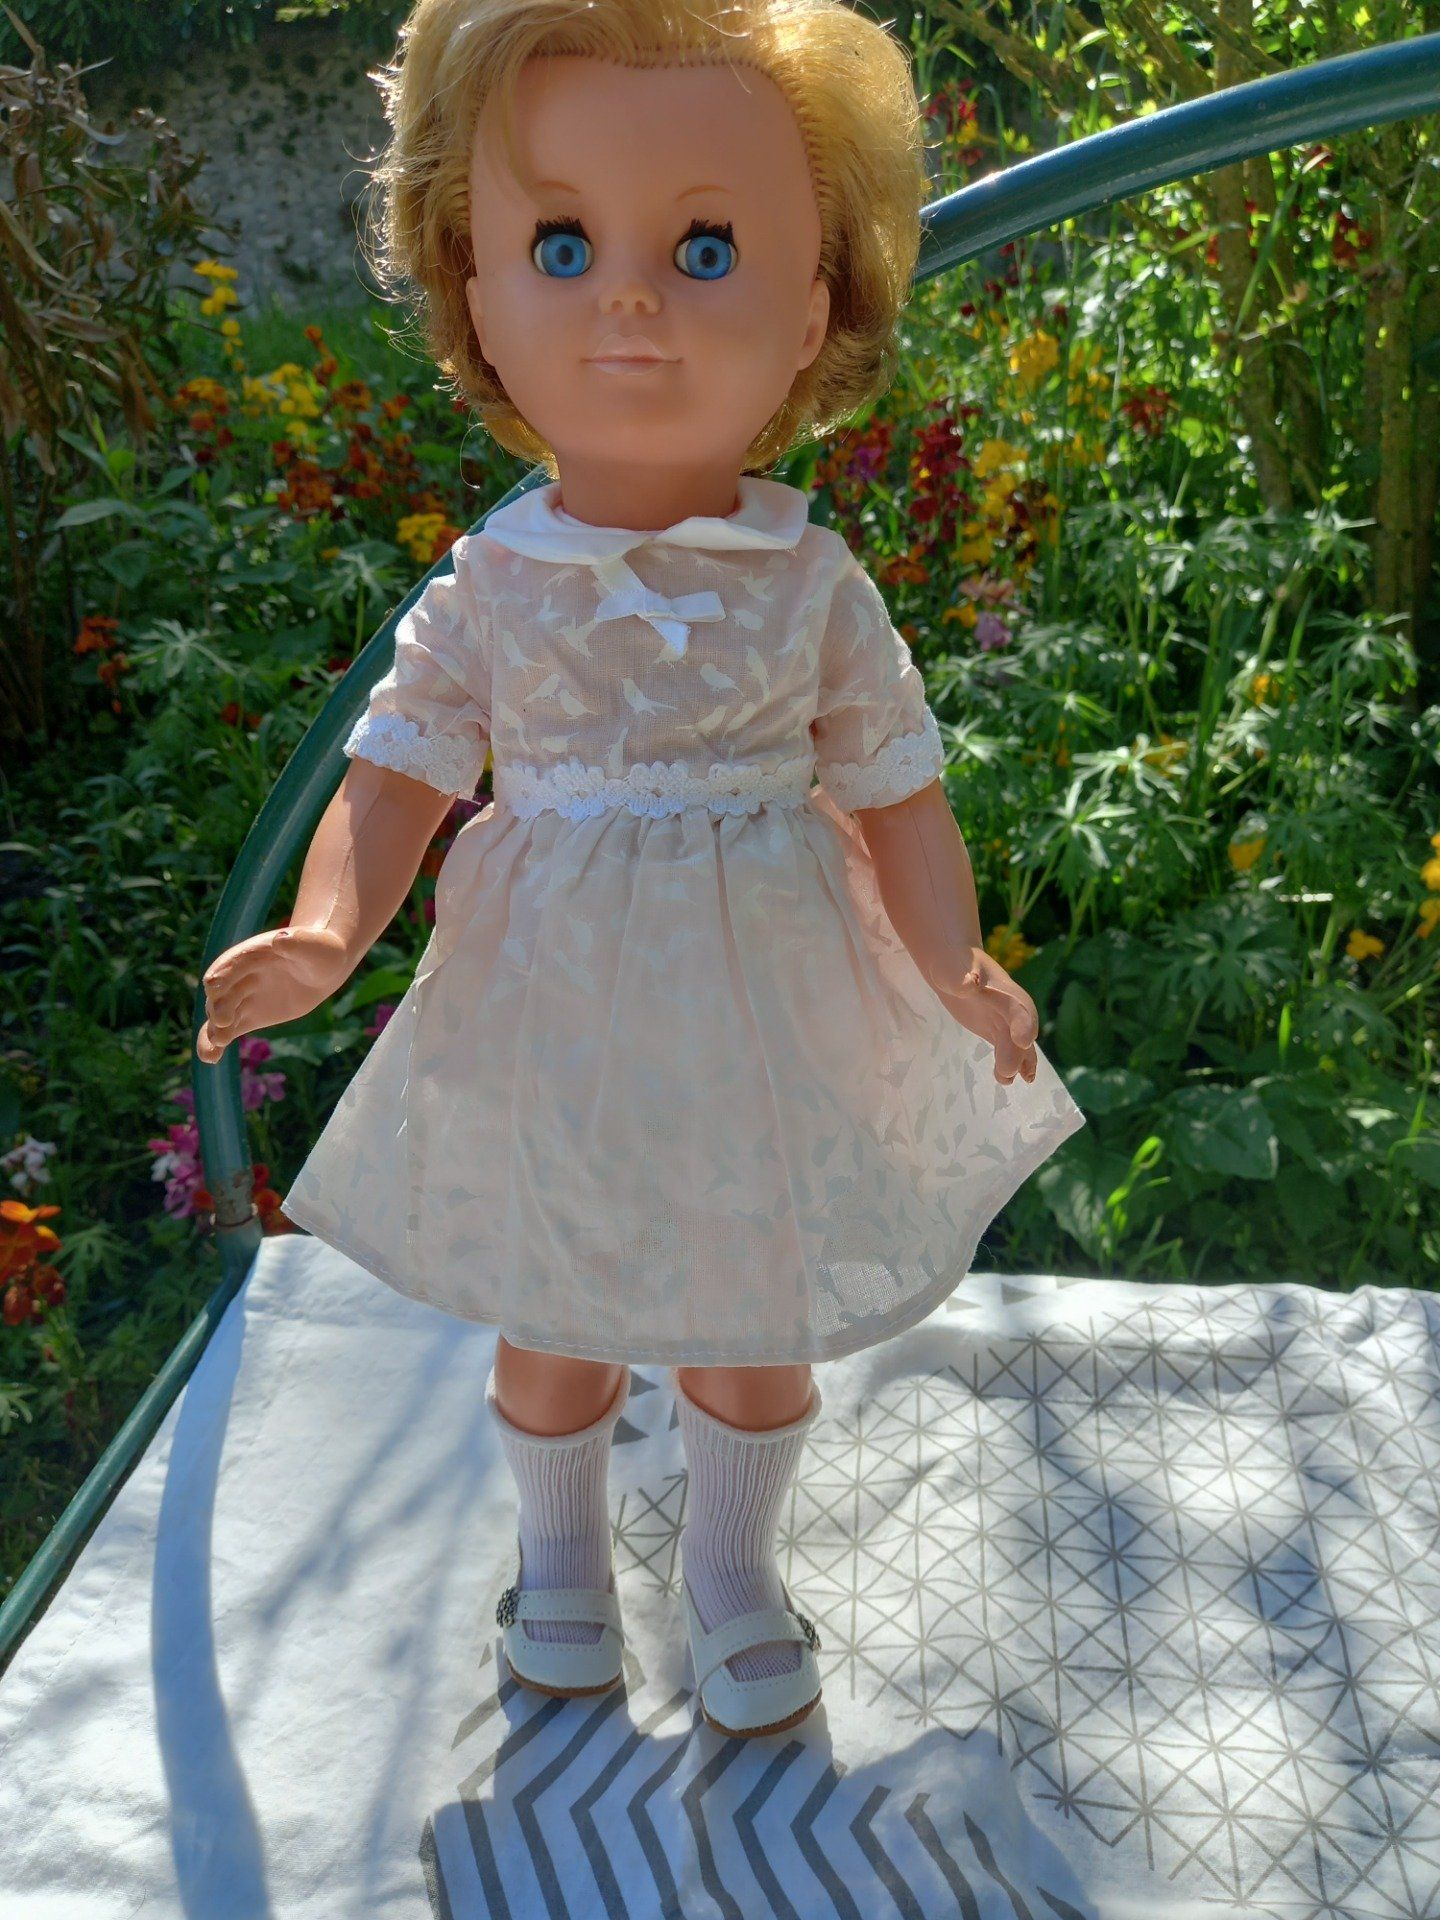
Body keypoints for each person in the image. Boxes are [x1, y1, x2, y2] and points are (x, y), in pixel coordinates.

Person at [195, 0, 1086, 1738]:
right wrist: (325, 932)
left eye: (705, 249)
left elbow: (897, 789)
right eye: (560, 245)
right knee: (556, 1304)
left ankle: (733, 1571)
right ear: (475, 295)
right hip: (551, 1014)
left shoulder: (809, 582)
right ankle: (561, 1564)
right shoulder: (493, 585)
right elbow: (401, 766)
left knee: (752, 1308)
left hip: (767, 1015)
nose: (630, 301)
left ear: (811, 307)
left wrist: (956, 964)